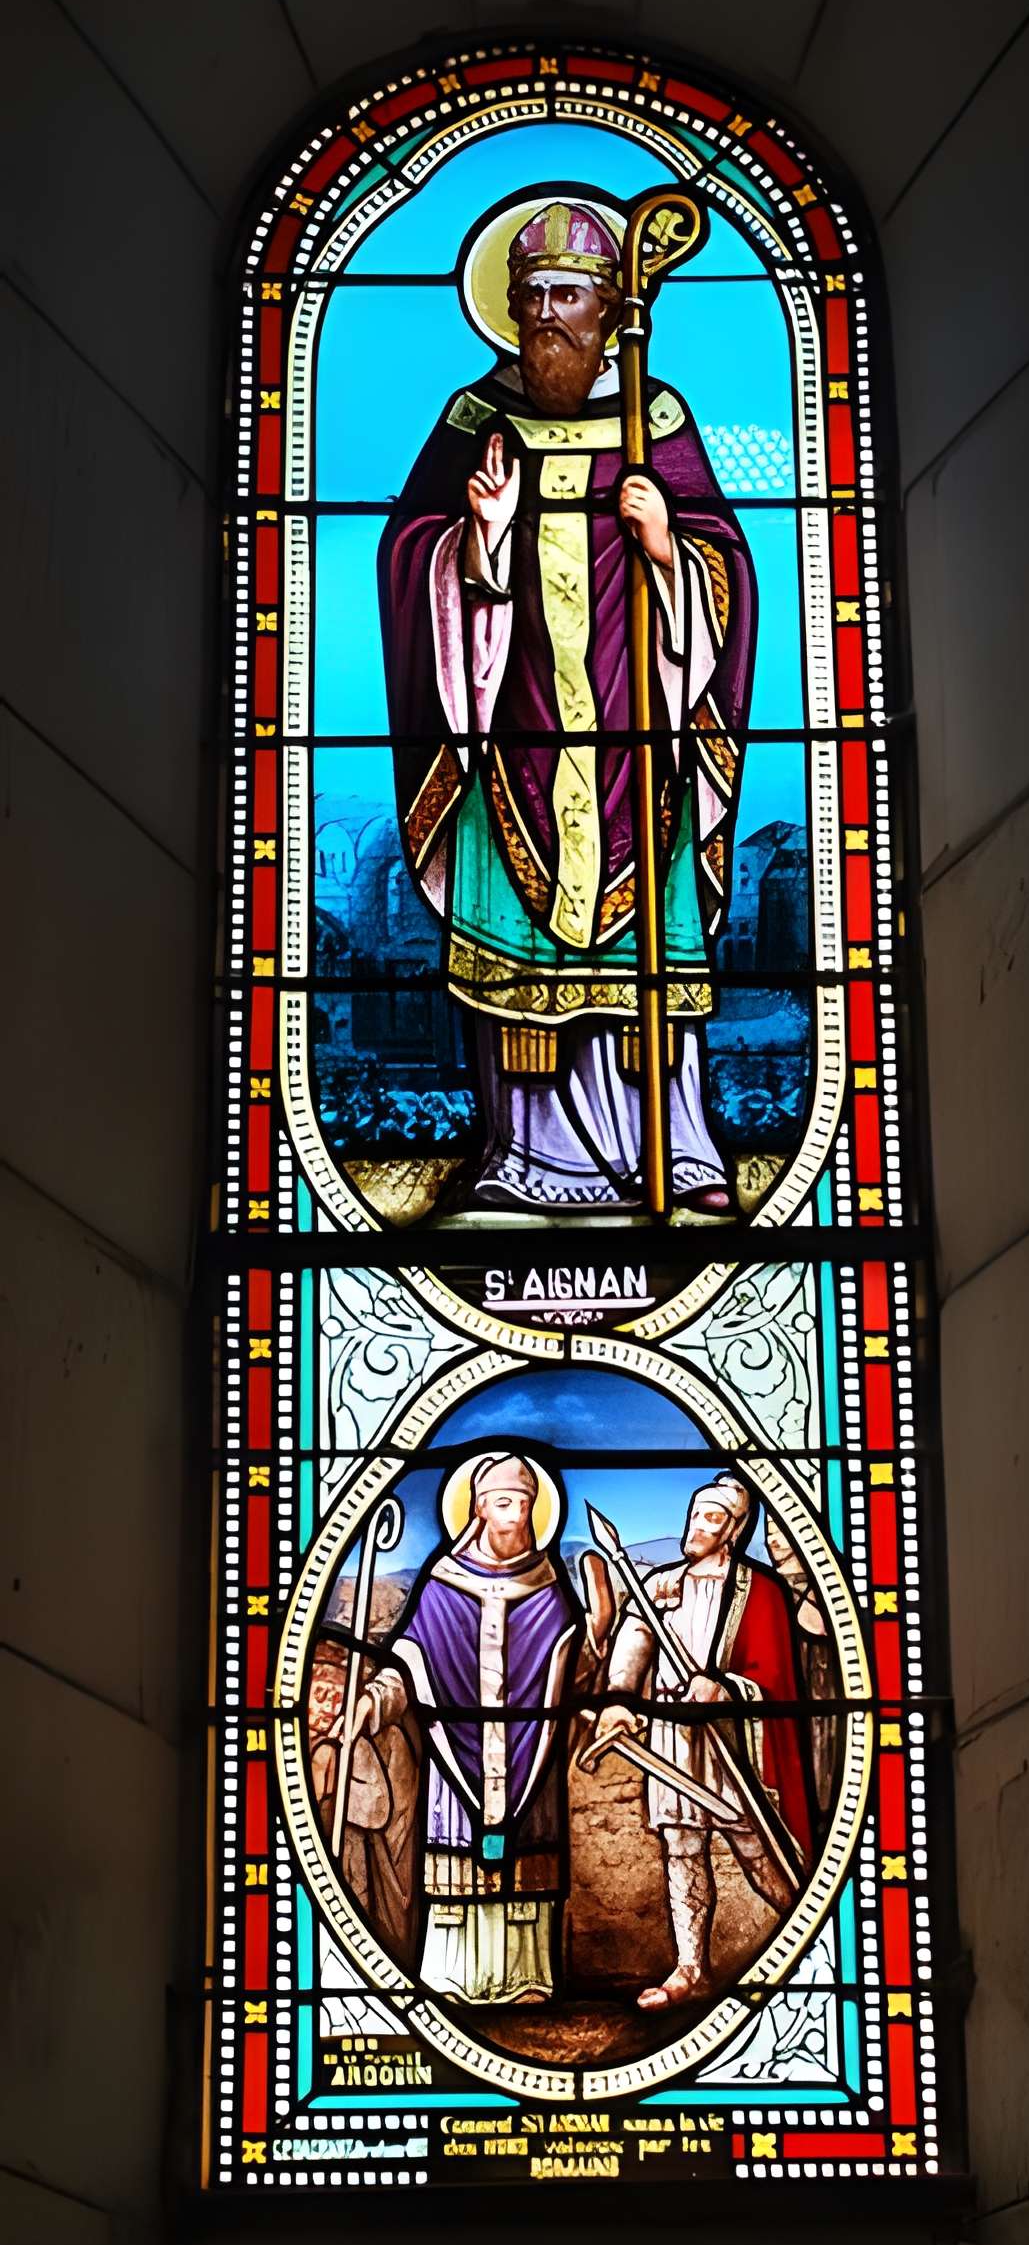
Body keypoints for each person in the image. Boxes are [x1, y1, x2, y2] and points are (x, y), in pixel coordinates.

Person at [379, 196, 756, 1211]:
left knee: (650, 968)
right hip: (514, 738)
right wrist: (480, 540)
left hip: (645, 737)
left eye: (570, 296)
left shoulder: (656, 416)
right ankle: (532, 1159)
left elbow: (730, 568)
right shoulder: (474, 420)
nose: (548, 316)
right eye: (532, 295)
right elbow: (408, 558)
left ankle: (674, 1154)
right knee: (524, 965)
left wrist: (671, 543)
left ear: (609, 310)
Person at [344, 1452, 582, 2003]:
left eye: (525, 1504)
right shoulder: (442, 1587)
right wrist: (373, 1704)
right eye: (504, 1503)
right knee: (454, 1866)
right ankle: (454, 1978)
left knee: (528, 1868)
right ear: (477, 1509)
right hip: (455, 1750)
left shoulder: (549, 1590)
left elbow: (573, 1671)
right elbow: (409, 1661)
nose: (516, 1516)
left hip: (533, 1747)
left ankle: (527, 1978)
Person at [593, 1474, 814, 2010]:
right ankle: (691, 1968)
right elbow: (634, 1640)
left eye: (711, 1518)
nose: (697, 1526)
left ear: (735, 1529)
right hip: (673, 1732)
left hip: (734, 1740)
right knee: (681, 1847)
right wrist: (621, 1699)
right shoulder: (661, 1586)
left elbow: (775, 1673)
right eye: (695, 1514)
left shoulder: (759, 1591)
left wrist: (727, 1687)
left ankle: (808, 1935)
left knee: (759, 1845)